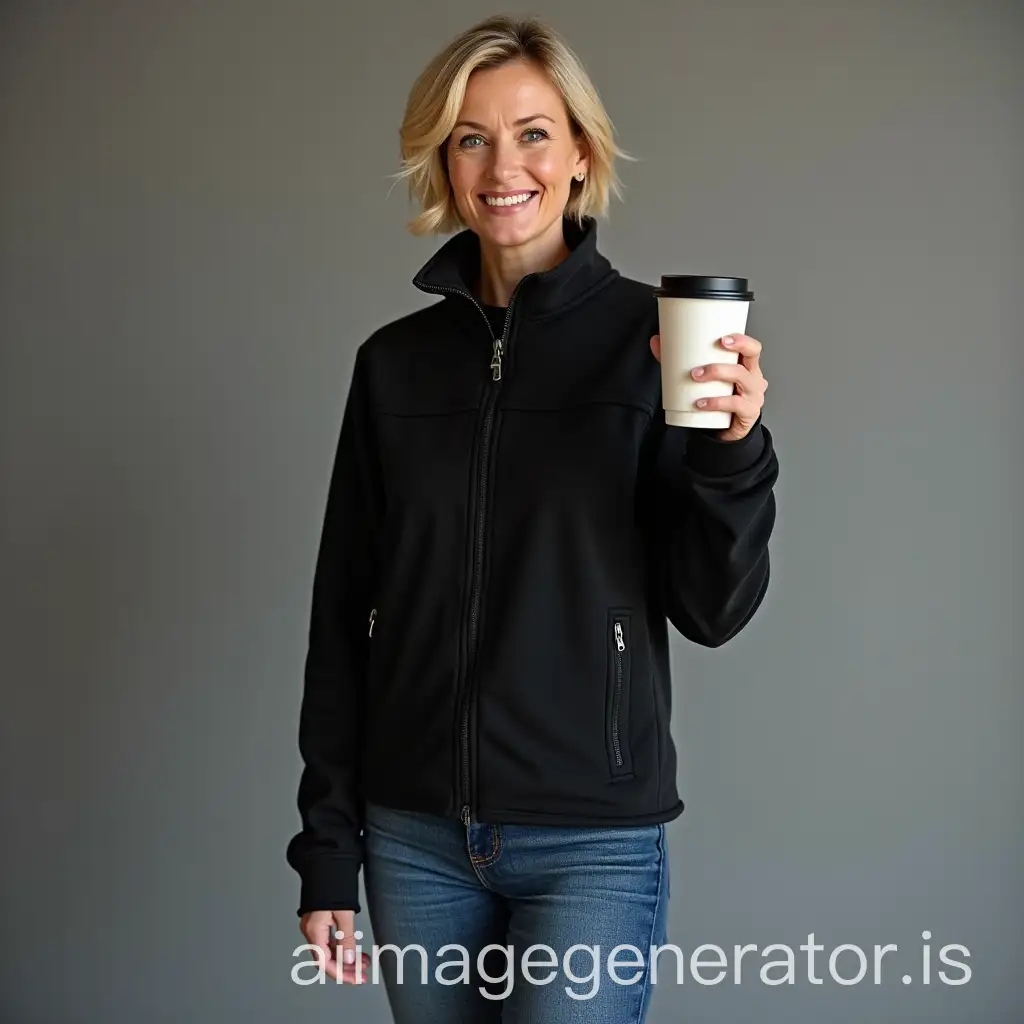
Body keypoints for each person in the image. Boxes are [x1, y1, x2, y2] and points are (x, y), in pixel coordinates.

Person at [286, 14, 779, 1023]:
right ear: (442, 162)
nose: (502, 164)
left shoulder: (656, 342)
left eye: (532, 132)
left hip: (589, 840)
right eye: (470, 137)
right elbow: (343, 614)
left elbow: (712, 607)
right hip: (415, 837)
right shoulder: (394, 366)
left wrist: (732, 449)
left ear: (581, 154)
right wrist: (328, 845)